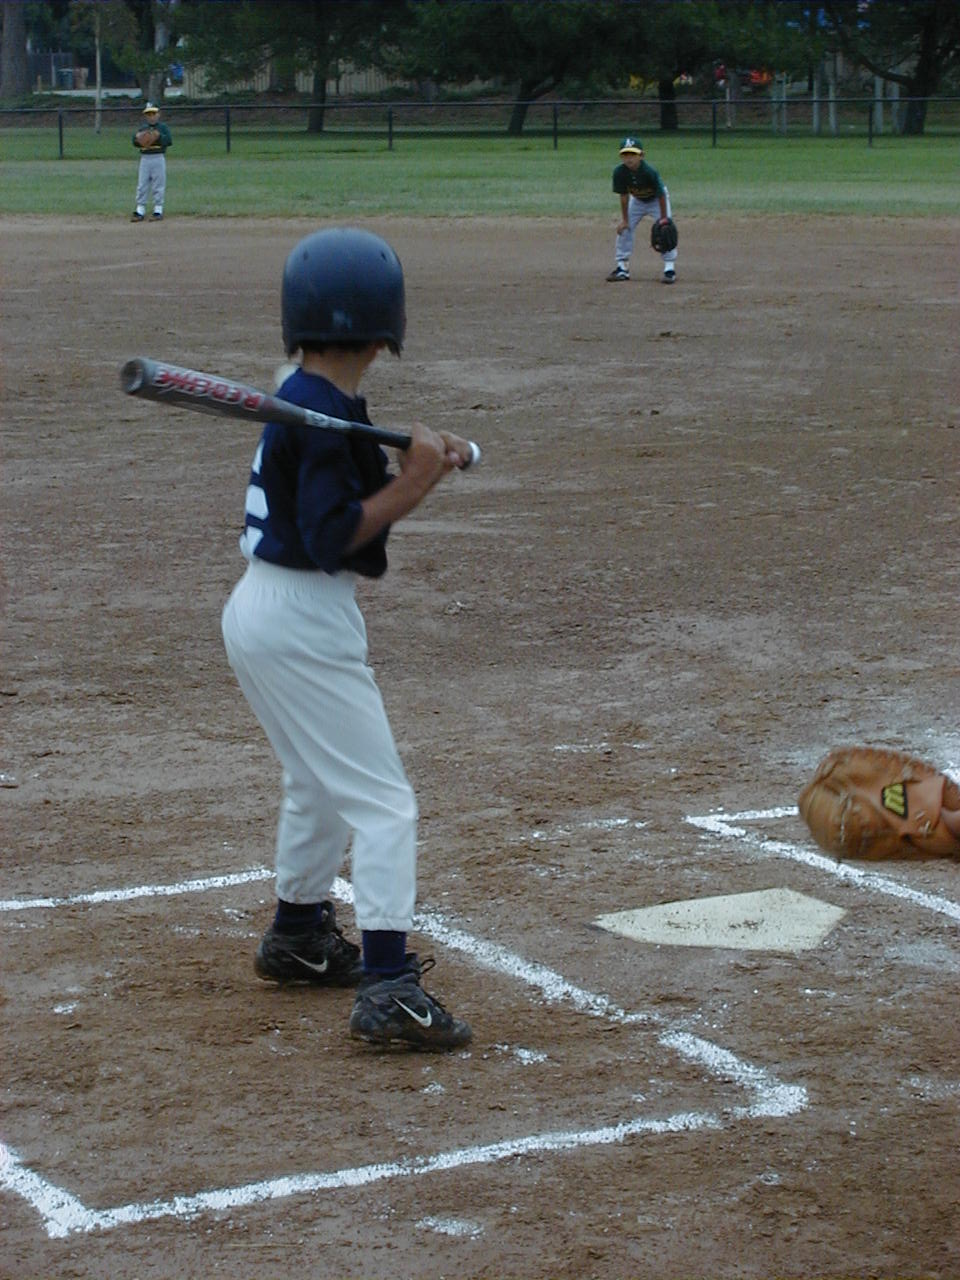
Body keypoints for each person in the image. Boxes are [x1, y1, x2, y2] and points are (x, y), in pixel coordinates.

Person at [221, 227, 475, 1051]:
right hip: (300, 619)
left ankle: (298, 933)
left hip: (263, 611)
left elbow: (353, 526)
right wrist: (415, 481)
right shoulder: (320, 413)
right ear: (382, 330)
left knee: (317, 781)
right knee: (385, 805)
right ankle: (389, 987)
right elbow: (337, 538)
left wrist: (413, 468)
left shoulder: (312, 400)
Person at [605, 136, 677, 285]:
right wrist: (625, 220)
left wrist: (664, 218)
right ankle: (622, 268)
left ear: (641, 156)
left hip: (657, 201)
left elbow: (661, 194)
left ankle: (669, 269)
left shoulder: (649, 172)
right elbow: (624, 196)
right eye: (625, 154)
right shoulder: (619, 172)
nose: (629, 158)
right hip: (637, 201)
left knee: (666, 231)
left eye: (633, 154)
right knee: (625, 229)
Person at [131, 103, 171, 222]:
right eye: (149, 114)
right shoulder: (143, 128)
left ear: (159, 114)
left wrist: (159, 137)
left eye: (154, 114)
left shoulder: (163, 127)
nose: (151, 116)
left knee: (158, 184)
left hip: (158, 157)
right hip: (145, 158)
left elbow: (169, 141)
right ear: (145, 116)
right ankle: (140, 209)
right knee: (142, 184)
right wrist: (138, 139)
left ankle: (158, 209)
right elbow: (134, 141)